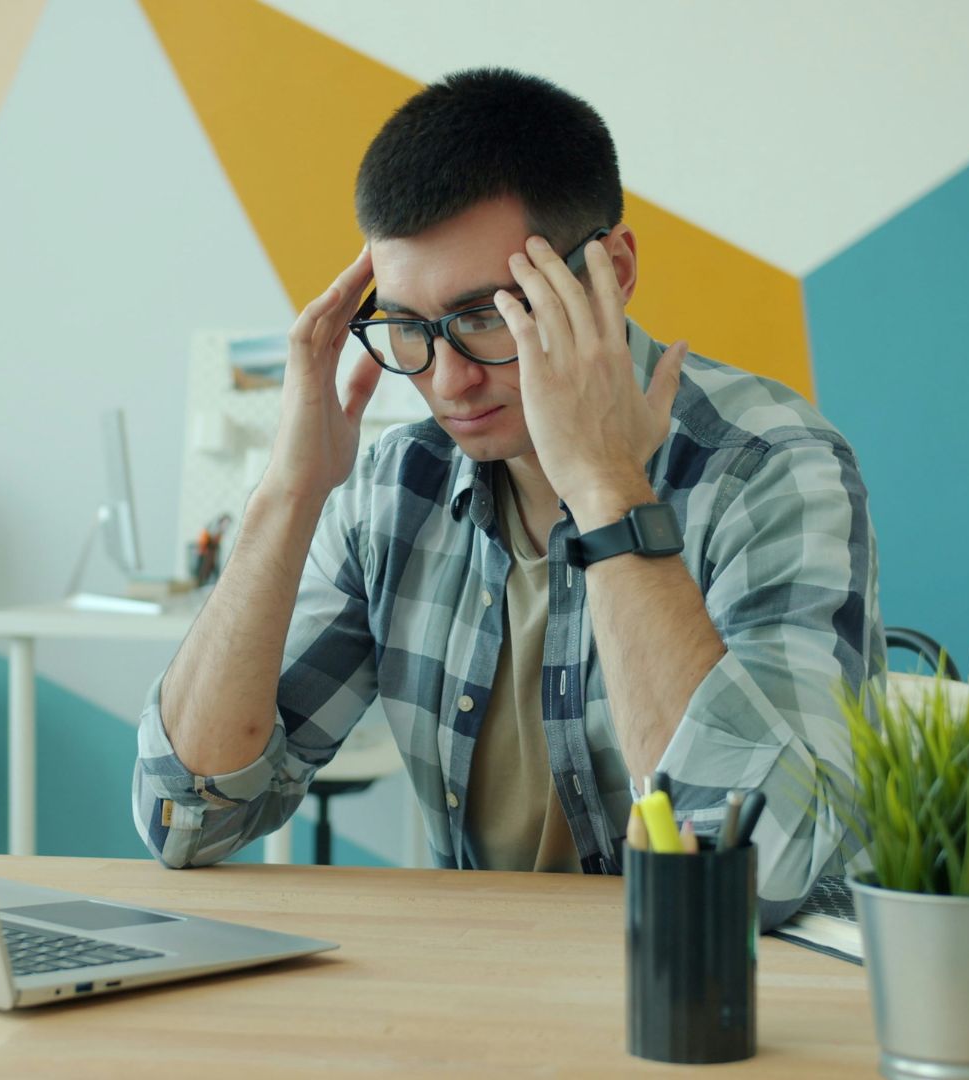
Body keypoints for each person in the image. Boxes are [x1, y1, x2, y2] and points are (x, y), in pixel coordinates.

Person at [133, 67, 882, 928]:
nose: (448, 380)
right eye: (408, 328)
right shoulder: (397, 490)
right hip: (493, 982)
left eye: (488, 315)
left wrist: (606, 487)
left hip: (722, 994)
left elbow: (753, 874)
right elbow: (187, 820)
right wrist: (287, 496)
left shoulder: (769, 468)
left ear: (611, 272)